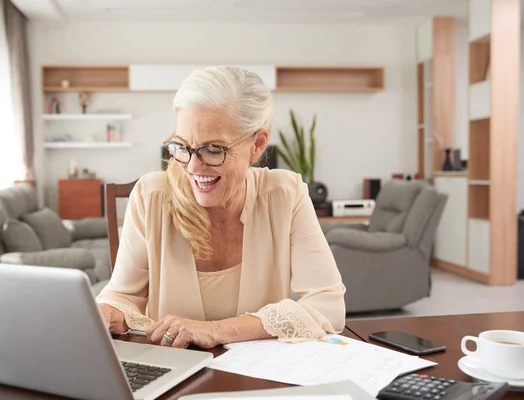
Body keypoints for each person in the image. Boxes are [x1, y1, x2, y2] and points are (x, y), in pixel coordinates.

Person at [96, 66, 346, 349]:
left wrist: (215, 330)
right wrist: (106, 313)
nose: (192, 166)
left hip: (258, 377)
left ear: (258, 144)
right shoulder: (150, 196)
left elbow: (328, 305)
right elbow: (122, 297)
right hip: (172, 372)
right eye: (182, 146)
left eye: (214, 149)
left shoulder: (286, 196)